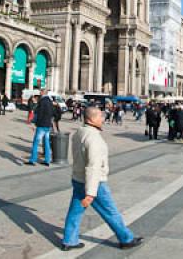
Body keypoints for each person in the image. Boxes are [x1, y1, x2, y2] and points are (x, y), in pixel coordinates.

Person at [60, 106, 143, 251]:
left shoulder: (79, 132)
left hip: (78, 178)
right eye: (100, 116)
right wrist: (91, 192)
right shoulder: (94, 139)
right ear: (91, 119)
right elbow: (93, 167)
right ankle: (126, 239)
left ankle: (69, 240)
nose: (103, 119)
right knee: (110, 211)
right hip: (94, 182)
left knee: (75, 211)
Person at [27, 88, 53, 166]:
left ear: (42, 92)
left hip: (41, 125)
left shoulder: (42, 101)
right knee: (46, 143)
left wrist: (35, 124)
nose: (39, 93)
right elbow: (52, 113)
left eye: (40, 92)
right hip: (48, 125)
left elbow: (39, 114)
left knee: (36, 142)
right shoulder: (50, 101)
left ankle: (32, 160)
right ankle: (47, 160)